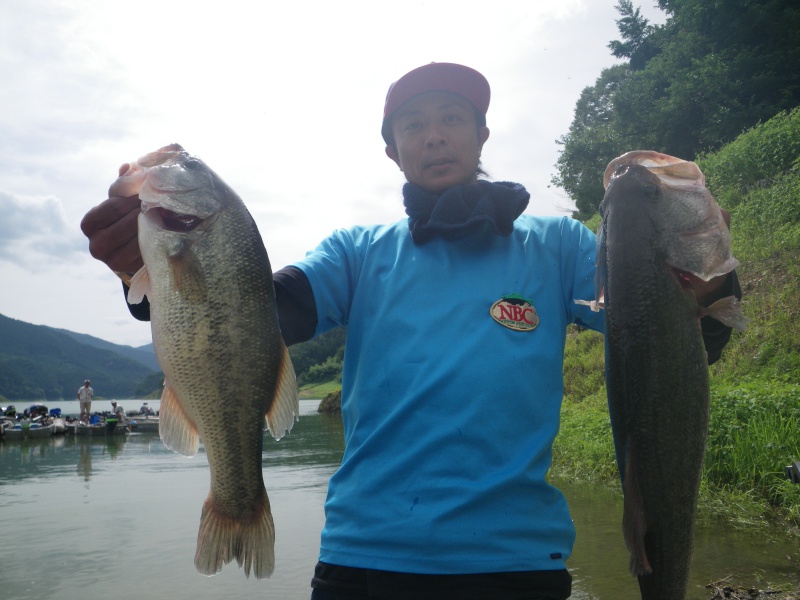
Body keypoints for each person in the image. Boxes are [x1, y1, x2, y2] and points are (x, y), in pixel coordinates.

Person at [81, 62, 739, 599]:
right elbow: (263, 313)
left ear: (482, 136)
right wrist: (157, 280)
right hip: (363, 561)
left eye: (452, 118)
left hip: (517, 565)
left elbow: (672, 343)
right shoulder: (358, 252)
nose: (434, 137)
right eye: (414, 124)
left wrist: (709, 281)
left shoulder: (560, 246)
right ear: (392, 148)